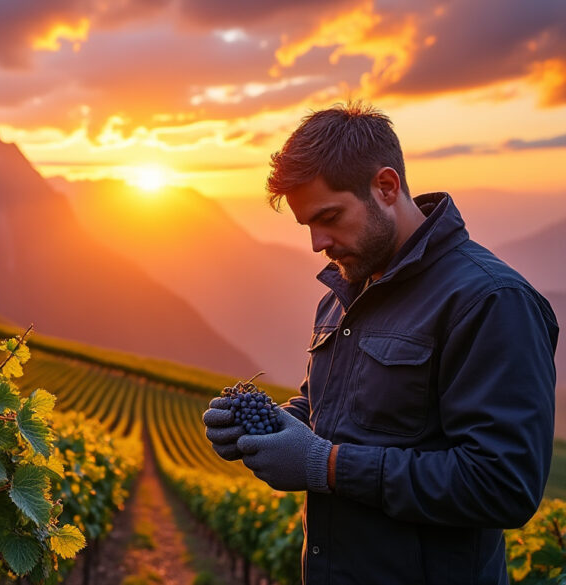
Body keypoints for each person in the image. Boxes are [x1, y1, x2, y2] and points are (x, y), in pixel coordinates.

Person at [203, 101, 559, 584]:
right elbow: (329, 410)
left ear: (386, 187)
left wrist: (325, 466)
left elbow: (503, 485)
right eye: (307, 224)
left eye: (329, 216)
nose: (316, 242)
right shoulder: (344, 291)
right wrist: (268, 426)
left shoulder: (491, 301)